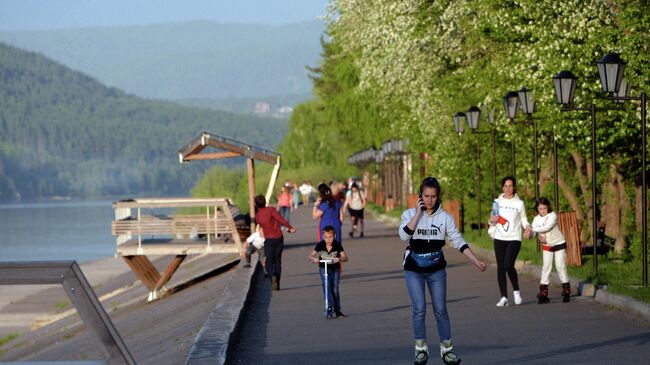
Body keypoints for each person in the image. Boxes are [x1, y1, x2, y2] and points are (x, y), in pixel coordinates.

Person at [399, 177, 487, 365]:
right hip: (413, 269)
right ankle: (420, 350)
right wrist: (417, 214)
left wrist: (476, 261)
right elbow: (403, 235)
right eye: (426, 196)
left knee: (440, 310)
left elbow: (458, 241)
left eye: (433, 196)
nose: (429, 200)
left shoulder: (445, 218)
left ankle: (447, 351)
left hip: (436, 270)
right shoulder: (409, 214)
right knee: (419, 309)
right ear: (420, 196)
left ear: (438, 196)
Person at [488, 176, 532, 307]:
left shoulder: (519, 203)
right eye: (506, 186)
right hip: (500, 237)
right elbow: (492, 218)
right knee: (501, 267)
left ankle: (516, 291)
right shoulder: (497, 202)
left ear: (514, 187)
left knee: (508, 264)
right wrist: (491, 221)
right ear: (502, 187)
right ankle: (504, 297)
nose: (508, 189)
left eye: (511, 186)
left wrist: (528, 227)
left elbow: (524, 219)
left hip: (514, 238)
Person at [531, 197, 571, 303]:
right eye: (540, 208)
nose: (543, 210)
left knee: (560, 266)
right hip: (547, 245)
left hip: (559, 243)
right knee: (546, 267)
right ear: (537, 209)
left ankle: (566, 290)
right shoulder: (536, 219)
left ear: (548, 207)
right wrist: (533, 234)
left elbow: (546, 227)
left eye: (544, 208)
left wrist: (534, 231)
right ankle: (543, 292)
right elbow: (535, 231)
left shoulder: (552, 216)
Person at [254, 194, 296, 290]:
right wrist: (290, 228)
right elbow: (280, 219)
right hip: (278, 237)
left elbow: (260, 224)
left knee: (269, 260)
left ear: (256, 204)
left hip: (268, 239)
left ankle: (272, 275)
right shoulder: (271, 210)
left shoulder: (258, 216)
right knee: (277, 260)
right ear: (265, 202)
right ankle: (277, 280)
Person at [309, 225, 349, 318]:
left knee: (334, 289)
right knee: (326, 287)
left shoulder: (337, 245)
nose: (328, 239)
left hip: (335, 269)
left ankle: (338, 310)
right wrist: (313, 259)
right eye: (326, 237)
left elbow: (345, 257)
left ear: (334, 236)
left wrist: (338, 259)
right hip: (324, 268)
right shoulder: (321, 244)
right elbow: (310, 255)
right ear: (323, 237)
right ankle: (328, 308)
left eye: (330, 237)